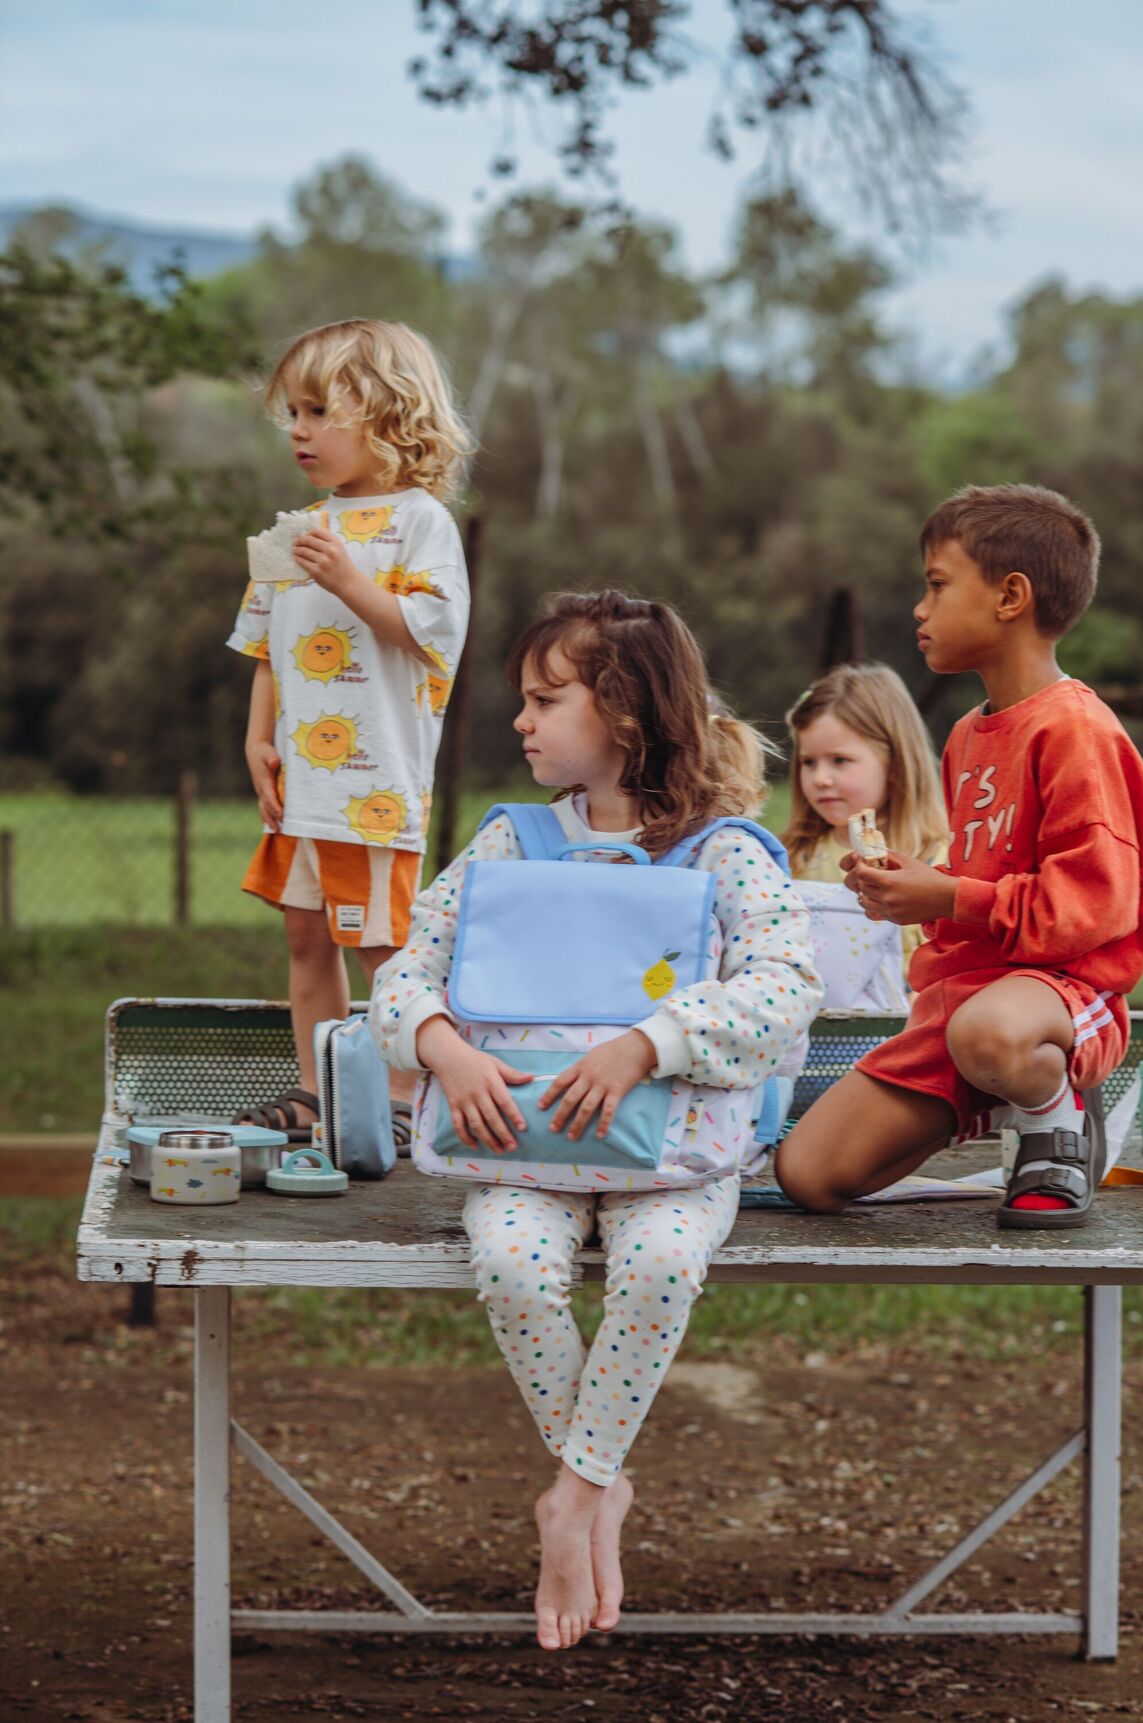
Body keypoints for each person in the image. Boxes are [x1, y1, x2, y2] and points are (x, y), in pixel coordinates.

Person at [369, 591, 821, 1650]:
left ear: (622, 710)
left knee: (661, 1263)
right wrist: (441, 1042)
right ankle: (601, 1481)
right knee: (517, 1266)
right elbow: (401, 978)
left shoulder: (724, 852)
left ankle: (571, 1495)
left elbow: (784, 988)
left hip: (673, 1157)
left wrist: (645, 1044)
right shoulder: (507, 842)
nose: (520, 722)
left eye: (544, 699)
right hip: (522, 1148)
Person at [776, 483, 1143, 1229]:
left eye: (937, 585)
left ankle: (1053, 1116)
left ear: (1010, 596)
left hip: (1058, 998)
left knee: (989, 1031)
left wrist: (948, 898)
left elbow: (1097, 904)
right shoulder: (967, 737)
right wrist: (913, 891)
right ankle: (986, 1094)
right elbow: (984, 882)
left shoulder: (1074, 729)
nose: (920, 607)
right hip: (962, 1010)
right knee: (808, 1174)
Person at [228, 318, 471, 1138]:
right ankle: (315, 1089)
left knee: (379, 947)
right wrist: (258, 737)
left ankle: (402, 1099)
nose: (297, 430)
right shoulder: (297, 526)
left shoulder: (420, 523)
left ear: (391, 415)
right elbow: (267, 646)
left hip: (372, 788)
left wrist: (351, 580)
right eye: (291, 413)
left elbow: (431, 631)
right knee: (305, 935)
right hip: (302, 783)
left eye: (318, 411)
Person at [783, 662, 949, 980]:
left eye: (840, 760)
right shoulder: (792, 858)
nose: (820, 778)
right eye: (808, 762)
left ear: (896, 764)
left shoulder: (938, 858)